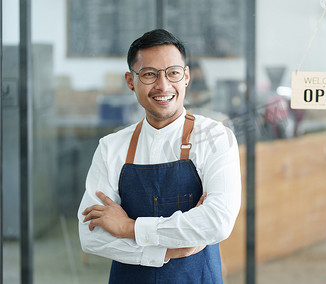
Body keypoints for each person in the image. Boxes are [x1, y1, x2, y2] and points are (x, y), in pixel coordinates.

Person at [77, 29, 241, 284]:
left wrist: (129, 228)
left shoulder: (215, 137)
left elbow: (217, 221)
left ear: (185, 77)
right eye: (149, 74)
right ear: (131, 81)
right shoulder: (111, 147)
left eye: (173, 73)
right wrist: (167, 251)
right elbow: (91, 236)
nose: (163, 86)